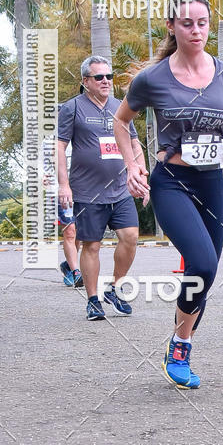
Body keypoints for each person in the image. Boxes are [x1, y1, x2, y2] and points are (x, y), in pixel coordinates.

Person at [114, 0, 223, 389]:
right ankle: (180, 347)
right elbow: (121, 121)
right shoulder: (152, 78)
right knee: (203, 264)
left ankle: (181, 343)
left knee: (204, 275)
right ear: (171, 27)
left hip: (212, 182)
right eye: (187, 24)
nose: (196, 31)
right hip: (172, 182)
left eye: (203, 23)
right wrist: (133, 164)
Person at [58, 55, 149, 320]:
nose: (106, 81)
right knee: (92, 246)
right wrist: (64, 185)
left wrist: (141, 174)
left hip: (120, 189)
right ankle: (93, 300)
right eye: (99, 77)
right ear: (86, 81)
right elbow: (60, 147)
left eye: (109, 76)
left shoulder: (120, 106)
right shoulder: (72, 108)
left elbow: (134, 143)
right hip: (87, 192)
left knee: (130, 237)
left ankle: (114, 288)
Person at [58, 202, 83, 287]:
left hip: (84, 194)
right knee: (69, 232)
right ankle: (76, 272)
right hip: (64, 197)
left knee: (78, 232)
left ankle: (68, 265)